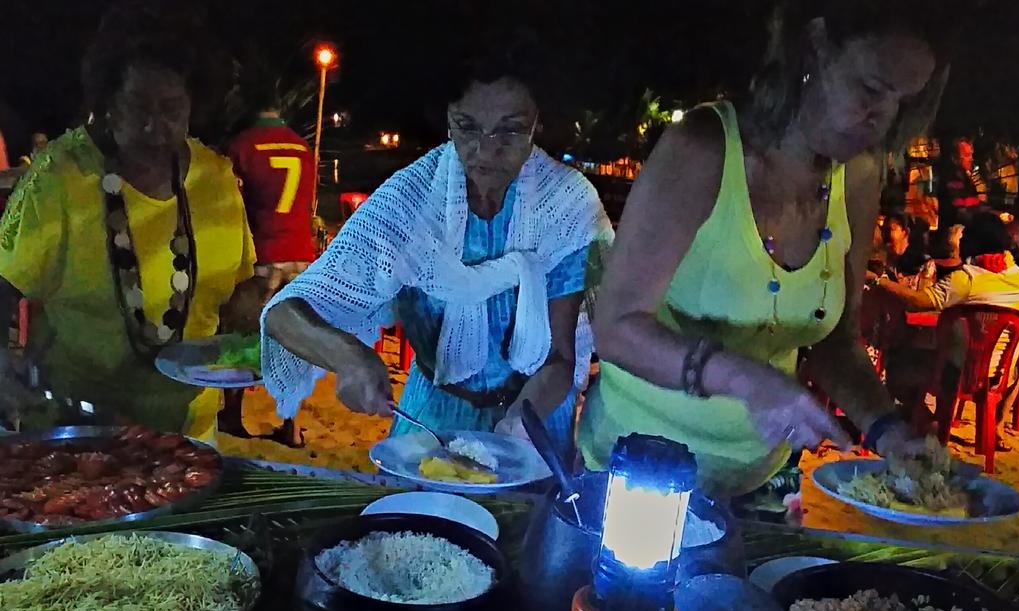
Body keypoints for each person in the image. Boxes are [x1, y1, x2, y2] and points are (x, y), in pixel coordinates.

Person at [579, 1, 946, 495]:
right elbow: (616, 328)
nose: (881, 118)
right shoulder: (704, 150)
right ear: (816, 45)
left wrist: (886, 428)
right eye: (871, 88)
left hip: (764, 478)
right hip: (635, 468)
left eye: (902, 100)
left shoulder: (859, 175)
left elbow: (835, 342)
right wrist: (747, 381)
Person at [262, 38, 613, 456]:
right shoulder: (411, 199)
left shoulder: (567, 204)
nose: (486, 151)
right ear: (446, 116)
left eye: (511, 129)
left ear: (539, 120)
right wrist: (349, 357)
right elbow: (284, 313)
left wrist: (517, 426)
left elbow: (559, 358)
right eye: (467, 127)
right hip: (428, 423)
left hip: (533, 422)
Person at [0, 0, 258, 438]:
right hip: (81, 429)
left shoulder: (214, 178)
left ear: (194, 104)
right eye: (138, 107)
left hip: (191, 432)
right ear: (108, 103)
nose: (154, 127)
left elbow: (240, 288)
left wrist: (254, 329)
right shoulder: (60, 177)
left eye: (171, 108)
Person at [873, 212, 1019, 446]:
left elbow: (919, 301)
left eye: (965, 237)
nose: (960, 242)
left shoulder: (967, 279)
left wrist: (877, 281)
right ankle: (996, 425)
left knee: (897, 366)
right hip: (999, 378)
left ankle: (928, 422)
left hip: (954, 373)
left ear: (976, 242)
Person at [227, 79, 316, 299]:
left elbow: (232, 208)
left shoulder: (241, 145)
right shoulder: (302, 147)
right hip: (302, 259)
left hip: (263, 261)